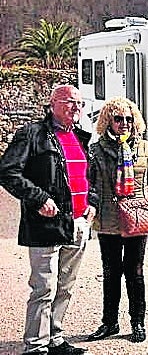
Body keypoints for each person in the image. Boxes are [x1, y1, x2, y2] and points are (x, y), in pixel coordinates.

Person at [0, 85, 95, 355]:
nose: (76, 108)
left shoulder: (81, 137)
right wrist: (39, 198)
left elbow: (91, 177)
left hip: (77, 223)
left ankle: (55, 338)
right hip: (46, 224)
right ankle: (36, 347)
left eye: (80, 103)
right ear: (52, 103)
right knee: (43, 287)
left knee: (66, 285)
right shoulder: (32, 134)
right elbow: (8, 172)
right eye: (70, 102)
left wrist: (93, 204)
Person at [85, 97, 148, 344]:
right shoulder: (96, 150)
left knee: (135, 271)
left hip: (136, 217)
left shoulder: (145, 149)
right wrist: (89, 208)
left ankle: (137, 322)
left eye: (129, 119)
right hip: (108, 219)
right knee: (110, 272)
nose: (124, 123)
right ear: (108, 120)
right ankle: (109, 322)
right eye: (119, 119)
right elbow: (90, 184)